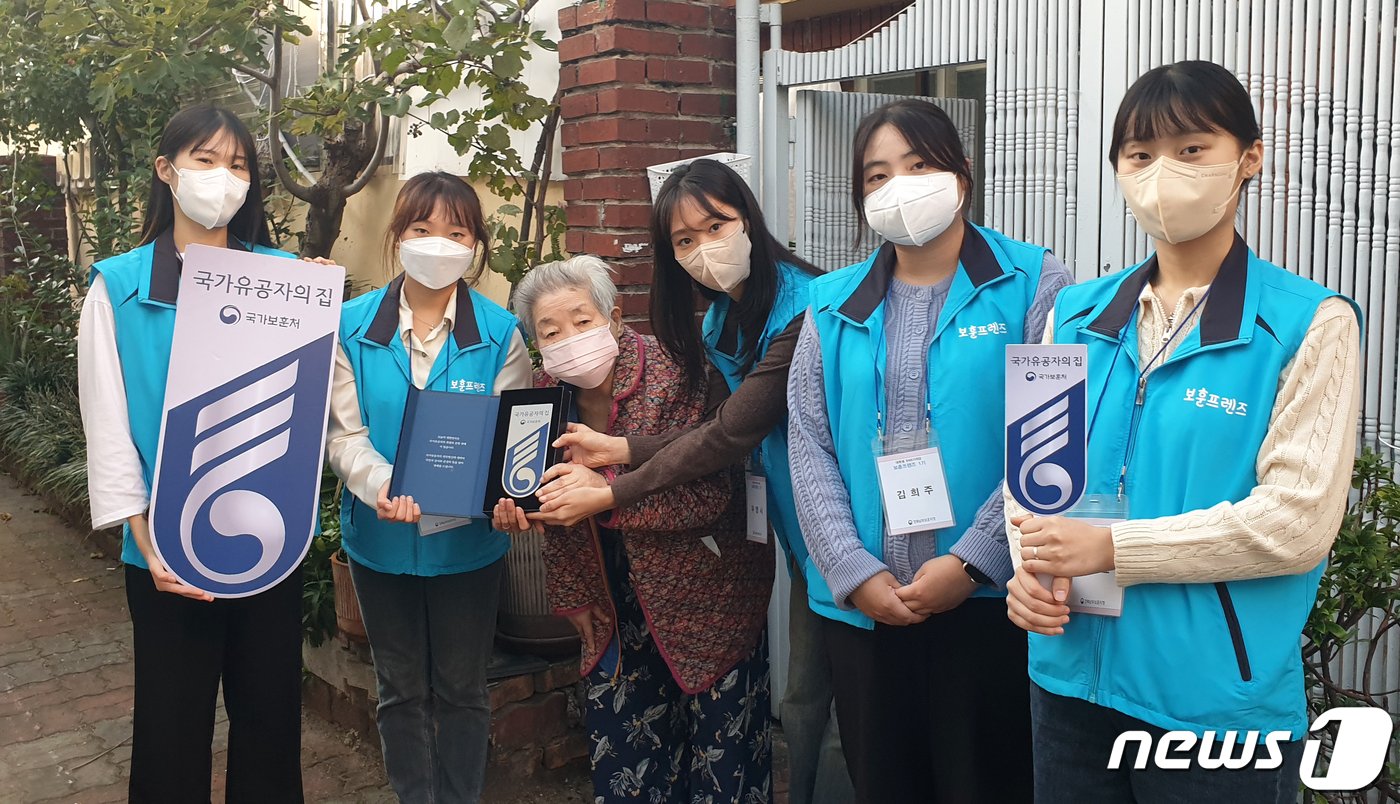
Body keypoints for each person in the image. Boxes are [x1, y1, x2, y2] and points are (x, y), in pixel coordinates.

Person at [1005, 60, 1362, 804]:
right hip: (1069, 683)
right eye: (1139, 155)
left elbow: (1295, 523)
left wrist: (1112, 548)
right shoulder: (1072, 314)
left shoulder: (1308, 324)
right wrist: (1029, 571)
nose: (1163, 172)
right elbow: (1031, 481)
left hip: (1214, 709)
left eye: (1193, 148)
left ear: (1248, 159)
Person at [526, 159, 852, 804]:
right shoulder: (712, 328)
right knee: (808, 701)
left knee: (838, 712)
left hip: (840, 526)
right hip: (792, 530)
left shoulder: (811, 305)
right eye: (683, 240)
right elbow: (712, 444)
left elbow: (727, 439)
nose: (704, 249)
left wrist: (610, 483)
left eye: (715, 225)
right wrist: (521, 507)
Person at [787, 98, 1072, 803]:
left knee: (990, 782)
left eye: (919, 166)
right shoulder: (830, 302)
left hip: (989, 609)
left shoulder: (1034, 283)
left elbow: (1049, 443)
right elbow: (808, 442)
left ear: (962, 175)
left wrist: (973, 560)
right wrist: (853, 571)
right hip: (862, 612)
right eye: (877, 175)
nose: (899, 187)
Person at [78, 105, 306, 802]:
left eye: (238, 165)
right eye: (205, 160)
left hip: (271, 537)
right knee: (171, 730)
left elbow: (311, 408)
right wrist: (145, 543)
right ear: (165, 170)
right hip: (165, 550)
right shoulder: (119, 287)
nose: (224, 179)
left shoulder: (284, 277)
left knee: (270, 724)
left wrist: (318, 304)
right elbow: (109, 426)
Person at [493, 256, 774, 803]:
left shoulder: (680, 372)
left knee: (724, 768)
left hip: (708, 597)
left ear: (615, 317)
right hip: (612, 605)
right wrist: (535, 536)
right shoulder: (545, 397)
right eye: (549, 331)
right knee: (628, 765)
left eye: (581, 320)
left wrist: (603, 498)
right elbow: (553, 506)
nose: (568, 338)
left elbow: (712, 493)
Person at [326, 170, 531, 803]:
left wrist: (509, 498)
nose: (438, 243)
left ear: (476, 247)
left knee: (465, 690)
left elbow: (509, 442)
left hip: (467, 548)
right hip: (380, 539)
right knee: (401, 690)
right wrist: (386, 484)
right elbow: (342, 434)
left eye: (457, 231)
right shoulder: (351, 326)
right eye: (422, 228)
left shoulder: (501, 334)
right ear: (398, 235)